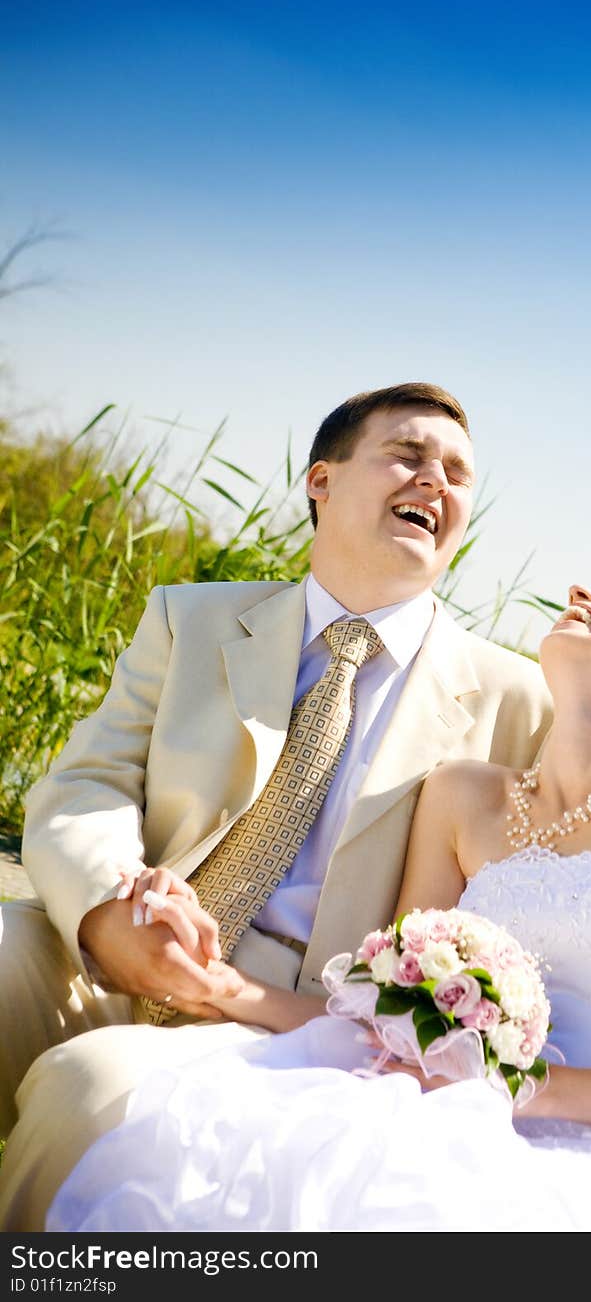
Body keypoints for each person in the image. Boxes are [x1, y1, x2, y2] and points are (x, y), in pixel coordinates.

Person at [43, 581, 591, 1231]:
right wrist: (226, 989)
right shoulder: (461, 798)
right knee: (189, 1156)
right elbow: (381, 1013)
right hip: (433, 1106)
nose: (581, 591)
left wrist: (520, 1088)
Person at [0, 383, 554, 1230]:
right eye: (407, 456)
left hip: (298, 1021)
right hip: (131, 943)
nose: (434, 481)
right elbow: (87, 783)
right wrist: (112, 913)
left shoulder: (519, 700)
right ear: (321, 482)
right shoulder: (191, 618)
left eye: (457, 473)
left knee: (93, 1092)